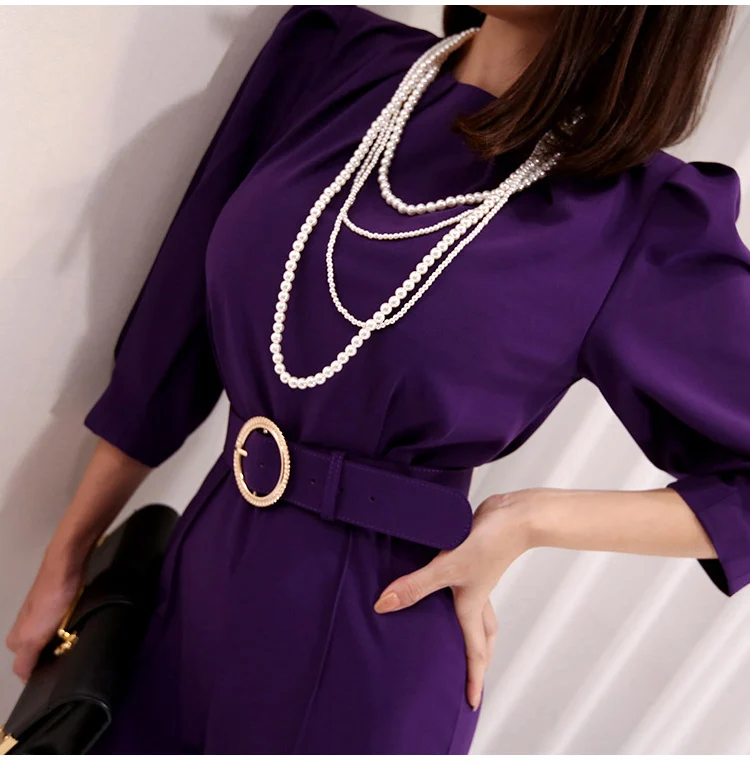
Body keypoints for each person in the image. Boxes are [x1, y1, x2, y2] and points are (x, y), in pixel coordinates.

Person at [6, 4, 750, 755]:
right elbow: (173, 333)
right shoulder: (333, 60)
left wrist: (531, 518)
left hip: (366, 648)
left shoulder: (639, 218)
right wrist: (68, 554)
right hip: (190, 585)